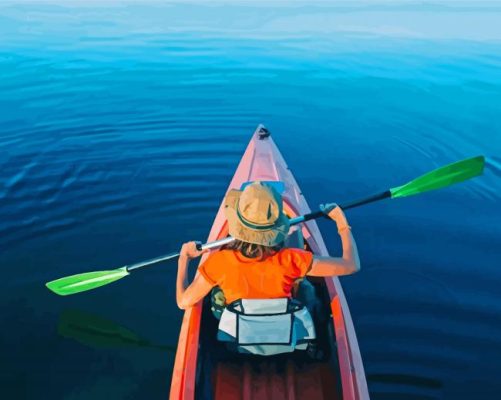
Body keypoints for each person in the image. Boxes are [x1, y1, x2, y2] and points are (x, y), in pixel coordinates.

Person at [176, 181, 361, 312]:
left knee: (216, 295)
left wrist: (184, 258)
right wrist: (341, 223)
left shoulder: (219, 262)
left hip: (238, 338)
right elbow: (351, 265)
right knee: (306, 288)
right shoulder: (294, 259)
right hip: (284, 335)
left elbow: (183, 302)